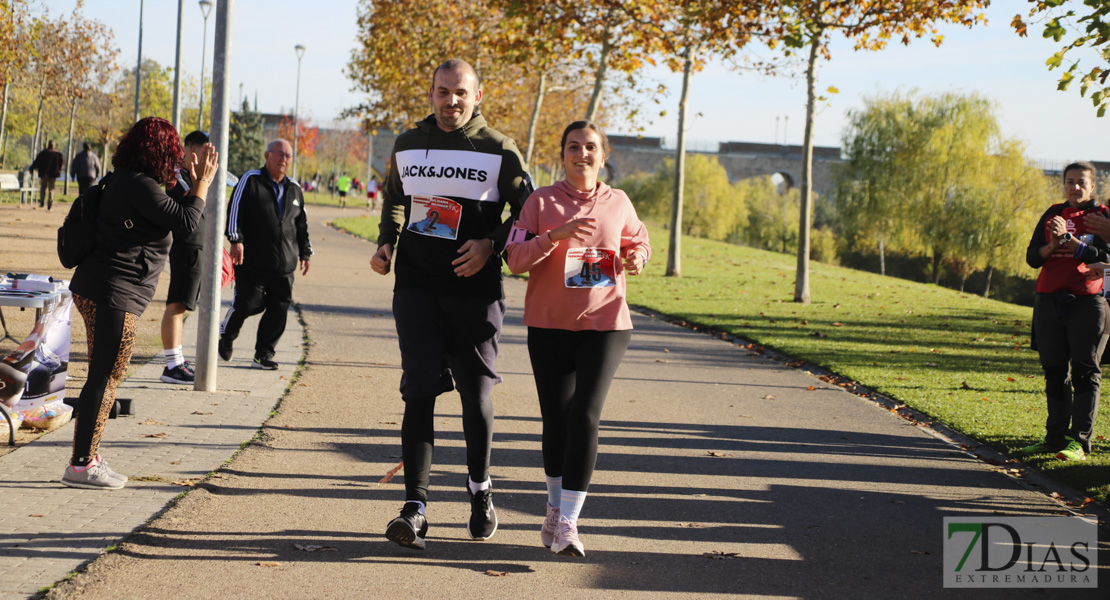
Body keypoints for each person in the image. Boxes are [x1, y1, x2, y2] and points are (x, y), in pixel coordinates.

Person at [371, 58, 532, 550]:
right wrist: (386, 241)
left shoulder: (500, 150)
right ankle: (415, 507)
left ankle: (479, 490)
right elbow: (396, 197)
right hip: (416, 289)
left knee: (474, 396)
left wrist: (492, 246)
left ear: (477, 96)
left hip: (474, 296)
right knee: (417, 392)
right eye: (443, 92)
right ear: (431, 93)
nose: (451, 101)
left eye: (460, 93)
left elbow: (530, 213)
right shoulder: (407, 143)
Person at [505, 121, 649, 557]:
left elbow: (639, 240)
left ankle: (568, 521)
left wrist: (636, 257)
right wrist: (553, 237)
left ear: (602, 156)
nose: (581, 154)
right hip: (550, 325)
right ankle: (553, 507)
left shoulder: (619, 202)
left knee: (585, 416)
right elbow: (514, 258)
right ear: (562, 154)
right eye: (573, 147)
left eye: (590, 147)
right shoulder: (540, 201)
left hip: (605, 323)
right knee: (556, 421)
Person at [63, 117, 218, 489]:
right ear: (160, 150)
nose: (178, 154)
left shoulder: (130, 181)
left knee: (108, 375)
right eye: (174, 149)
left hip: (105, 289)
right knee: (104, 376)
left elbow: (175, 212)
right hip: (112, 292)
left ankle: (87, 457)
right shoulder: (139, 185)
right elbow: (185, 223)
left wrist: (189, 181)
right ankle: (81, 464)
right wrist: (202, 185)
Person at [1023, 161, 1109, 462]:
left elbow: (1107, 257)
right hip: (1047, 298)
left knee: (1085, 371)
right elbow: (1033, 257)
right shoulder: (1052, 213)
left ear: (1093, 186)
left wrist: (1073, 244)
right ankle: (1054, 438)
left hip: (1087, 301)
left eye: (1081, 182)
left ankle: (1079, 442)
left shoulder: (1102, 217)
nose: (1075, 187)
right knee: (1054, 371)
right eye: (1070, 181)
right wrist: (1053, 245)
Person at [219, 139, 312, 370]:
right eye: (279, 154)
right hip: (252, 261)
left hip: (284, 265)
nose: (283, 159)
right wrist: (236, 239)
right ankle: (228, 334)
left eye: (288, 156)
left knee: (279, 308)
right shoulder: (250, 180)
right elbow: (235, 210)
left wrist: (306, 252)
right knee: (249, 303)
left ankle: (264, 354)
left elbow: (301, 224)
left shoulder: (295, 188)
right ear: (266, 155)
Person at [159, 131, 211, 385]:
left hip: (198, 246)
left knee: (183, 305)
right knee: (177, 303)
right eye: (203, 151)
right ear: (189, 149)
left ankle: (176, 360)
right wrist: (200, 180)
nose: (206, 158)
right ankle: (172, 365)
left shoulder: (195, 176)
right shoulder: (177, 178)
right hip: (186, 246)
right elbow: (189, 209)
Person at [29, 140, 64, 210]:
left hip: (43, 173)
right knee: (51, 189)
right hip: (53, 174)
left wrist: (31, 168)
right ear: (54, 146)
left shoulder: (43, 153)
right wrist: (59, 169)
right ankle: (50, 203)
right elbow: (62, 163)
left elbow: (37, 162)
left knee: (43, 187)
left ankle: (42, 202)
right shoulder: (58, 154)